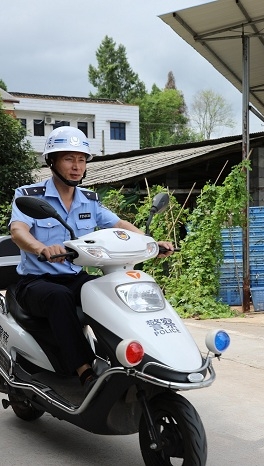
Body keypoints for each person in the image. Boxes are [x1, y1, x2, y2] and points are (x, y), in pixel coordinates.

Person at [9, 126, 173, 392]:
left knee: (113, 291)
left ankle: (126, 359)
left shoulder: (89, 200)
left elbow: (119, 224)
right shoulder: (29, 195)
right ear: (52, 161)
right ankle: (84, 370)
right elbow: (18, 231)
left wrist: (151, 242)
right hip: (36, 281)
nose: (76, 166)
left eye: (82, 159)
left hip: (75, 277)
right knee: (58, 298)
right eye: (68, 159)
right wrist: (41, 248)